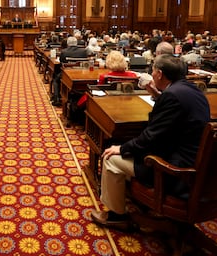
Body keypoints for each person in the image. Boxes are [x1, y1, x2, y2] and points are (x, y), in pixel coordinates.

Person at [90, 54, 210, 229]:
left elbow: (151, 138)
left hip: (176, 170)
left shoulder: (172, 96)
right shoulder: (192, 90)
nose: (151, 74)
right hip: (199, 162)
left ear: (159, 74)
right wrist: (156, 94)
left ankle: (116, 215)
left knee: (110, 158)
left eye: (153, 70)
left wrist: (122, 148)